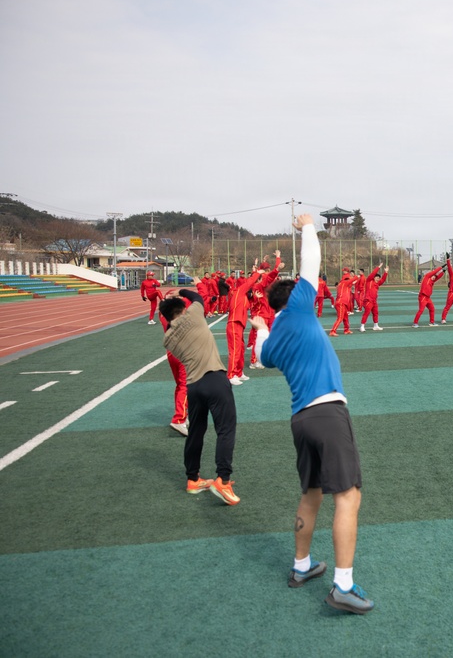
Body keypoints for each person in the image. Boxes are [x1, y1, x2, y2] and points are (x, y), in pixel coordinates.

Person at [249, 213, 374, 615]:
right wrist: (306, 226)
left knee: (311, 493)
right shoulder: (301, 309)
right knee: (348, 496)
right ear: (294, 297)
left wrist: (259, 325)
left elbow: (260, 355)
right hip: (326, 413)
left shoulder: (274, 338)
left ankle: (301, 566)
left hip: (299, 420)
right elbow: (311, 264)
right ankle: (343, 584)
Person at [159, 281, 240, 506]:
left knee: (196, 432)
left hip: (194, 387)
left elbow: (173, 324)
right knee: (226, 430)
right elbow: (199, 298)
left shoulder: (168, 338)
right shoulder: (193, 315)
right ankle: (223, 479)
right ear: (183, 309)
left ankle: (192, 479)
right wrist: (181, 291)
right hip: (214, 378)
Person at [158, 290, 188, 436]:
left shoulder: (164, 315)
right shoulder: (181, 317)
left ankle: (182, 414)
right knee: (185, 385)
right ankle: (179, 419)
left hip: (171, 351)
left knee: (180, 385)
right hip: (182, 351)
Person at [226, 267, 262, 385]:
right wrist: (257, 273)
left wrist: (255, 297)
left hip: (240, 325)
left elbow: (250, 305)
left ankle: (238, 372)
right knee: (235, 350)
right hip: (234, 323)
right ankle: (231, 375)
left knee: (240, 350)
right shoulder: (239, 291)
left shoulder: (244, 297)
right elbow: (249, 282)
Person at [330, 269, 359, 336]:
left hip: (342, 303)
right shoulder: (344, 283)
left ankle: (346, 330)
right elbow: (352, 280)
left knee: (345, 317)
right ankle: (333, 331)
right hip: (341, 303)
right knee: (340, 318)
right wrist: (357, 276)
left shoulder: (342, 284)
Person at [359, 264, 386, 332]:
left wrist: (386, 272)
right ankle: (362, 326)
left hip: (374, 301)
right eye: (376, 277)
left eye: (378, 278)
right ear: (374, 277)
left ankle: (375, 325)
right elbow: (373, 273)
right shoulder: (369, 281)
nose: (378, 279)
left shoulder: (377, 283)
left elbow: (382, 280)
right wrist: (378, 267)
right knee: (367, 313)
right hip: (368, 300)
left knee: (375, 313)